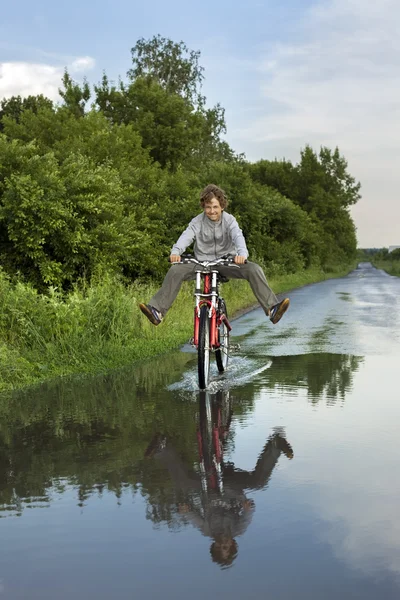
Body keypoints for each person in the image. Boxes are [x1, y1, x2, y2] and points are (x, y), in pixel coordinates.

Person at [139, 184, 290, 326]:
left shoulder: (230, 220)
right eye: (208, 207)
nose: (212, 211)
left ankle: (272, 309)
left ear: (222, 206)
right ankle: (157, 311)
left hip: (226, 262)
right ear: (203, 206)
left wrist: (242, 254)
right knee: (175, 270)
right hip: (201, 262)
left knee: (254, 269)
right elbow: (186, 236)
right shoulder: (197, 221)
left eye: (215, 207)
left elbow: (238, 236)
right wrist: (176, 252)